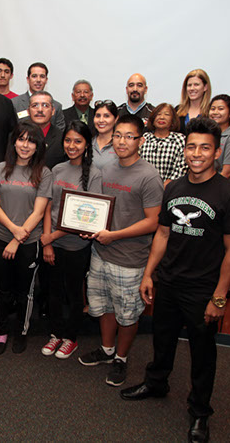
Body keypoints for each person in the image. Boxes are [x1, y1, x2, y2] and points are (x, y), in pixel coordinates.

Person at [120, 117, 230, 443]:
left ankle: (200, 412)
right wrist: (149, 273)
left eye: (205, 147)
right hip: (169, 281)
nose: (197, 153)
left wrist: (219, 297)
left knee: (203, 353)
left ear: (217, 152)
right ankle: (157, 382)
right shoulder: (174, 187)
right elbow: (162, 233)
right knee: (162, 339)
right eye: (191, 146)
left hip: (203, 288)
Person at [78, 114, 163, 388]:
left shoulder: (149, 176)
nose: (122, 141)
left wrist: (114, 235)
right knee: (104, 306)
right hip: (101, 253)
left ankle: (122, 358)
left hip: (130, 259)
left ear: (141, 140)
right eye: (118, 135)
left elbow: (153, 221)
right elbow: (101, 208)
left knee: (128, 313)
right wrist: (87, 226)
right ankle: (106, 350)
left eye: (129, 136)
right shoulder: (108, 169)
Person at [0, 121, 52, 355]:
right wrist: (12, 231)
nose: (25, 145)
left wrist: (17, 239)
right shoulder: (1, 168)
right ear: (13, 142)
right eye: (21, 139)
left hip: (28, 242)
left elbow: (39, 212)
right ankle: (2, 331)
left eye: (31, 141)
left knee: (25, 291)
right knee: (1, 290)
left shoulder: (43, 173)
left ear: (38, 146)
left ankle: (21, 331)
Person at [40, 120, 102, 359]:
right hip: (51, 244)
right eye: (68, 140)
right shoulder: (56, 169)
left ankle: (70, 338)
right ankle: (55, 334)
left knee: (74, 293)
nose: (72, 145)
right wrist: (47, 242)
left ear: (87, 144)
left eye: (78, 141)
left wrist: (52, 237)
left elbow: (85, 218)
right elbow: (48, 206)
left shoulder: (95, 175)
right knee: (53, 293)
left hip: (77, 246)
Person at [141, 103, 187, 186]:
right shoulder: (144, 138)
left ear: (173, 120)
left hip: (171, 188)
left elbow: (181, 167)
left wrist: (167, 185)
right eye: (158, 114)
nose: (162, 117)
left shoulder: (180, 139)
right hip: (144, 186)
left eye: (167, 114)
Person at [11, 62, 65, 130]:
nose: (38, 80)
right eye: (34, 76)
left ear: (46, 80)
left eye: (42, 76)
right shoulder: (15, 104)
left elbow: (59, 135)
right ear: (28, 79)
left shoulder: (56, 106)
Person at [209, 94, 230, 182]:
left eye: (220, 109)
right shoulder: (209, 132)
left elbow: (227, 173)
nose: (215, 112)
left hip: (221, 187)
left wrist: (207, 187)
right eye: (213, 109)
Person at [28, 91, 65, 169]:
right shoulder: (17, 136)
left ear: (53, 111)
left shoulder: (62, 138)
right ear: (28, 111)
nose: (40, 110)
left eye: (45, 105)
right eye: (35, 105)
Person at [91, 100, 119, 170]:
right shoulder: (88, 143)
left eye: (106, 116)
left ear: (116, 119)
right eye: (98, 116)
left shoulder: (120, 144)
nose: (101, 120)